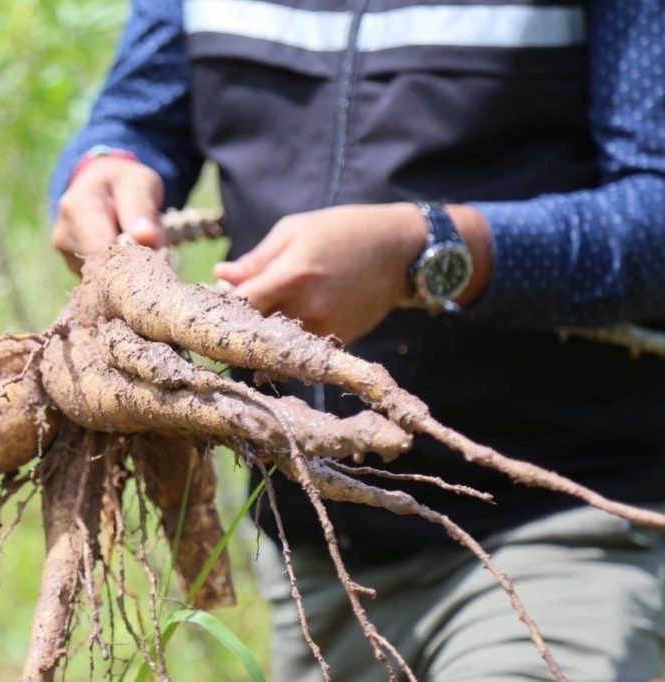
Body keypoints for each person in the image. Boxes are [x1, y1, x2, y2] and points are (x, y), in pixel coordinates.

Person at [49, 1, 665, 679]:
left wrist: (425, 250)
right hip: (318, 558)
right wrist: (102, 166)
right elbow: (135, 113)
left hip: (556, 522)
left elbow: (653, 211)